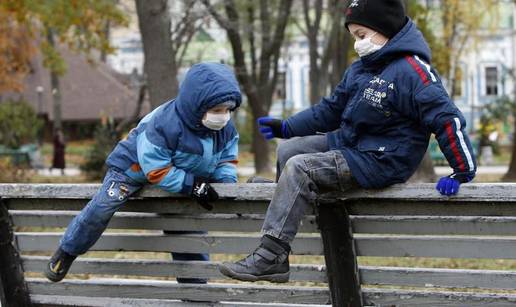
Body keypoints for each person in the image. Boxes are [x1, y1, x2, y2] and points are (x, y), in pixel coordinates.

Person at [219, 0, 476, 283]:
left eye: (362, 35)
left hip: (382, 159)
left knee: (300, 167)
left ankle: (270, 256)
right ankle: (284, 222)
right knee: (289, 151)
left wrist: (461, 171)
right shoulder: (361, 69)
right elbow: (330, 111)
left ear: (384, 29)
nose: (357, 44)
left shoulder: (413, 72)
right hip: (352, 145)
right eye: (354, 37)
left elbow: (446, 119)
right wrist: (287, 127)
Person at [45, 62, 242, 283]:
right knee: (100, 209)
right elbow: (156, 169)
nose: (223, 116)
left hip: (180, 177)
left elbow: (226, 158)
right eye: (217, 111)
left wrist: (226, 184)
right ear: (196, 106)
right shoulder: (164, 124)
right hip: (132, 170)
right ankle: (67, 251)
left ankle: (196, 293)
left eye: (227, 110)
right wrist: (193, 185)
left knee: (187, 233)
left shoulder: (226, 129)